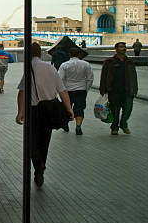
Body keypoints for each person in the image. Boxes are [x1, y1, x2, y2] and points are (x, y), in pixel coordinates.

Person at [16, 42, 74, 187]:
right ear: (40, 53)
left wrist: (20, 112)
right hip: (49, 109)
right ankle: (41, 166)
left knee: (32, 142)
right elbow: (62, 91)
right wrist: (69, 109)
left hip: (33, 110)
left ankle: (38, 166)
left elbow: (22, 92)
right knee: (44, 141)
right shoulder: (50, 68)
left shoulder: (29, 68)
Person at [99, 42, 138, 135]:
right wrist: (103, 89)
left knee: (128, 108)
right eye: (121, 47)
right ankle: (114, 127)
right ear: (116, 49)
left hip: (127, 89)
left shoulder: (129, 62)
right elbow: (103, 76)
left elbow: (134, 77)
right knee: (115, 110)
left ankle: (123, 123)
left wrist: (135, 89)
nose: (123, 48)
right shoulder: (109, 62)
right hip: (114, 90)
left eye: (124, 47)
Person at [58, 47, 94, 135]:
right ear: (79, 54)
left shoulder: (64, 65)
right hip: (81, 89)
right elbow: (90, 78)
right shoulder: (86, 64)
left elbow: (60, 78)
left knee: (66, 108)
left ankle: (65, 124)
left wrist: (62, 90)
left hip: (68, 90)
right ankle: (78, 126)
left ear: (69, 54)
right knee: (79, 108)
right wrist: (86, 89)